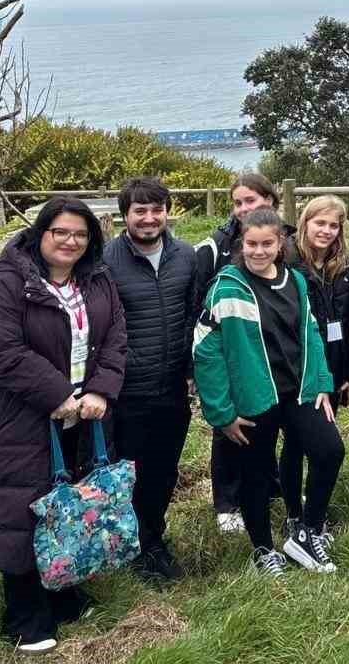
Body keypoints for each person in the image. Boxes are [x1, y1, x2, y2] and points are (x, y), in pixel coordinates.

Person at [0, 199, 126, 654]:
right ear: (41, 234)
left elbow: (114, 338)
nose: (70, 241)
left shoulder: (97, 279)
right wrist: (56, 394)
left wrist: (101, 390)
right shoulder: (12, 282)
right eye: (60, 232)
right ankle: (26, 617)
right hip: (20, 416)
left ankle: (64, 591)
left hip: (82, 411)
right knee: (24, 509)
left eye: (80, 234)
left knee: (68, 502)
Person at [194, 208, 344, 576]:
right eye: (251, 244)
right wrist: (221, 413)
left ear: (280, 245)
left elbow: (311, 332)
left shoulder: (296, 281)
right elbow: (206, 351)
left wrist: (321, 382)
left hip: (297, 390)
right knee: (256, 473)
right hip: (254, 396)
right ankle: (263, 550)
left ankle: (307, 531)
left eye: (267, 244)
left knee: (330, 450)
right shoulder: (227, 287)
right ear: (241, 244)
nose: (258, 251)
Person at [101, 177, 197, 584]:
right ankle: (133, 547)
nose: (149, 218)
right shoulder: (106, 260)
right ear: (125, 215)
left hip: (173, 386)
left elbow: (193, 316)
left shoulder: (185, 256)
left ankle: (154, 539)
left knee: (163, 471)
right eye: (140, 210)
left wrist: (192, 370)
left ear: (167, 212)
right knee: (129, 473)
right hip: (128, 389)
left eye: (157, 209)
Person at [194, 172, 299, 534]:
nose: (242, 208)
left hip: (273, 357)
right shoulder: (215, 247)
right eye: (237, 202)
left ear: (270, 201)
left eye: (250, 201)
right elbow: (199, 303)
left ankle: (268, 486)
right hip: (231, 352)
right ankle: (226, 501)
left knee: (265, 429)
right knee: (229, 432)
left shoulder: (286, 242)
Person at [285, 195, 349, 540]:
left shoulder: (345, 268)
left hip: (334, 366)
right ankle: (298, 516)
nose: (327, 230)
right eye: (320, 223)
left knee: (311, 445)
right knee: (304, 445)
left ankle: (309, 513)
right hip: (299, 371)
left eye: (334, 225)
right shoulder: (288, 265)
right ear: (305, 223)